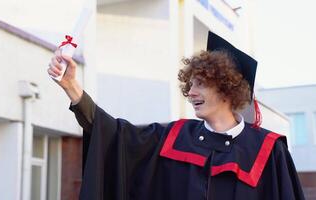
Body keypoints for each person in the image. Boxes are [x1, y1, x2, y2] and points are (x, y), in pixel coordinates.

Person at [47, 32, 305, 200]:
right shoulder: (173, 138)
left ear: (227, 88)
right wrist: (72, 87)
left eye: (200, 84)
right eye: (189, 85)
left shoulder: (268, 151)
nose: (190, 93)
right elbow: (113, 133)